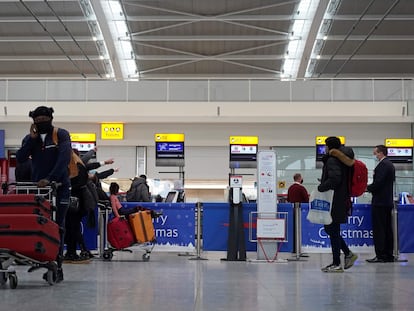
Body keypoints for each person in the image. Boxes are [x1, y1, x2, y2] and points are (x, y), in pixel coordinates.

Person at [16, 106, 71, 283]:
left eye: (44, 120)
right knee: (39, 223)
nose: (41, 124)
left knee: (58, 225)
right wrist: (31, 140)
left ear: (51, 119)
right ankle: (40, 256)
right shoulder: (30, 139)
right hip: (39, 189)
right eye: (37, 121)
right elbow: (20, 158)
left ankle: (58, 263)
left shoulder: (61, 135)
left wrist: (50, 178)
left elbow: (64, 158)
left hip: (60, 186)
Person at [64, 150, 115, 263]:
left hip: (76, 203)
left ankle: (79, 251)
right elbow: (89, 163)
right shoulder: (78, 166)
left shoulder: (75, 167)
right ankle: (75, 252)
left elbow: (77, 183)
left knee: (72, 227)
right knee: (73, 227)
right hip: (80, 202)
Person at [317, 136, 358, 273]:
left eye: (326, 146)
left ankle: (337, 263)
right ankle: (347, 254)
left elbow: (335, 179)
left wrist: (322, 187)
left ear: (330, 147)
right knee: (331, 230)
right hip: (340, 199)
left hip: (334, 200)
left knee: (333, 231)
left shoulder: (333, 159)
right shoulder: (342, 159)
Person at [366, 145, 396, 263]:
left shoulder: (383, 165)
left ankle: (381, 255)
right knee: (387, 228)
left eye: (376, 153)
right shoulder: (389, 164)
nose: (375, 156)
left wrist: (367, 188)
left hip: (380, 202)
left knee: (380, 229)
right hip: (386, 201)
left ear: (381, 153)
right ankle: (388, 254)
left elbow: (378, 183)